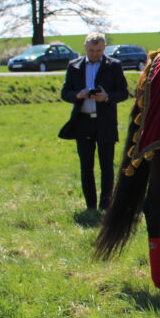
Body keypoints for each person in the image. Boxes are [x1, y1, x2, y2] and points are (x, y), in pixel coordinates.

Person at [59, 33, 129, 210]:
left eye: (98, 50)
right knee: (86, 166)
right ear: (85, 47)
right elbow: (64, 93)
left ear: (104, 48)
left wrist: (107, 97)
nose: (94, 53)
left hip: (105, 122)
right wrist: (78, 95)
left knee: (107, 166)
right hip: (83, 122)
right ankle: (90, 205)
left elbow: (123, 93)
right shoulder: (74, 66)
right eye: (91, 50)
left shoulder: (114, 66)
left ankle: (105, 205)